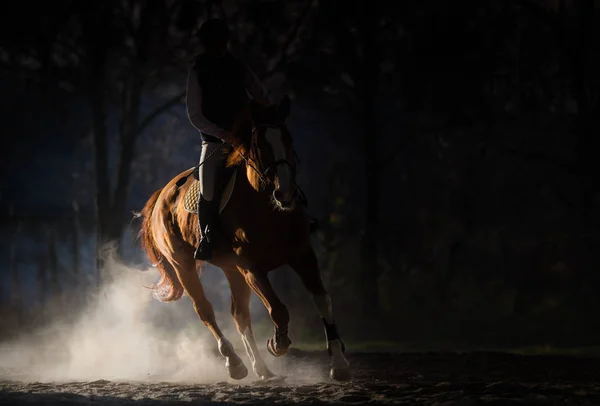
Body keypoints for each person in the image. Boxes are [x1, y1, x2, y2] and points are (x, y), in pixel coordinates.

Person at [186, 18, 272, 261]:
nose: (219, 46)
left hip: (247, 137)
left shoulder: (238, 67)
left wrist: (269, 110)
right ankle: (207, 237)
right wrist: (222, 134)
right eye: (214, 41)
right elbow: (195, 115)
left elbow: (260, 92)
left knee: (276, 163)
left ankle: (296, 213)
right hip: (215, 142)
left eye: (221, 41)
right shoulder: (197, 70)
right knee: (208, 188)